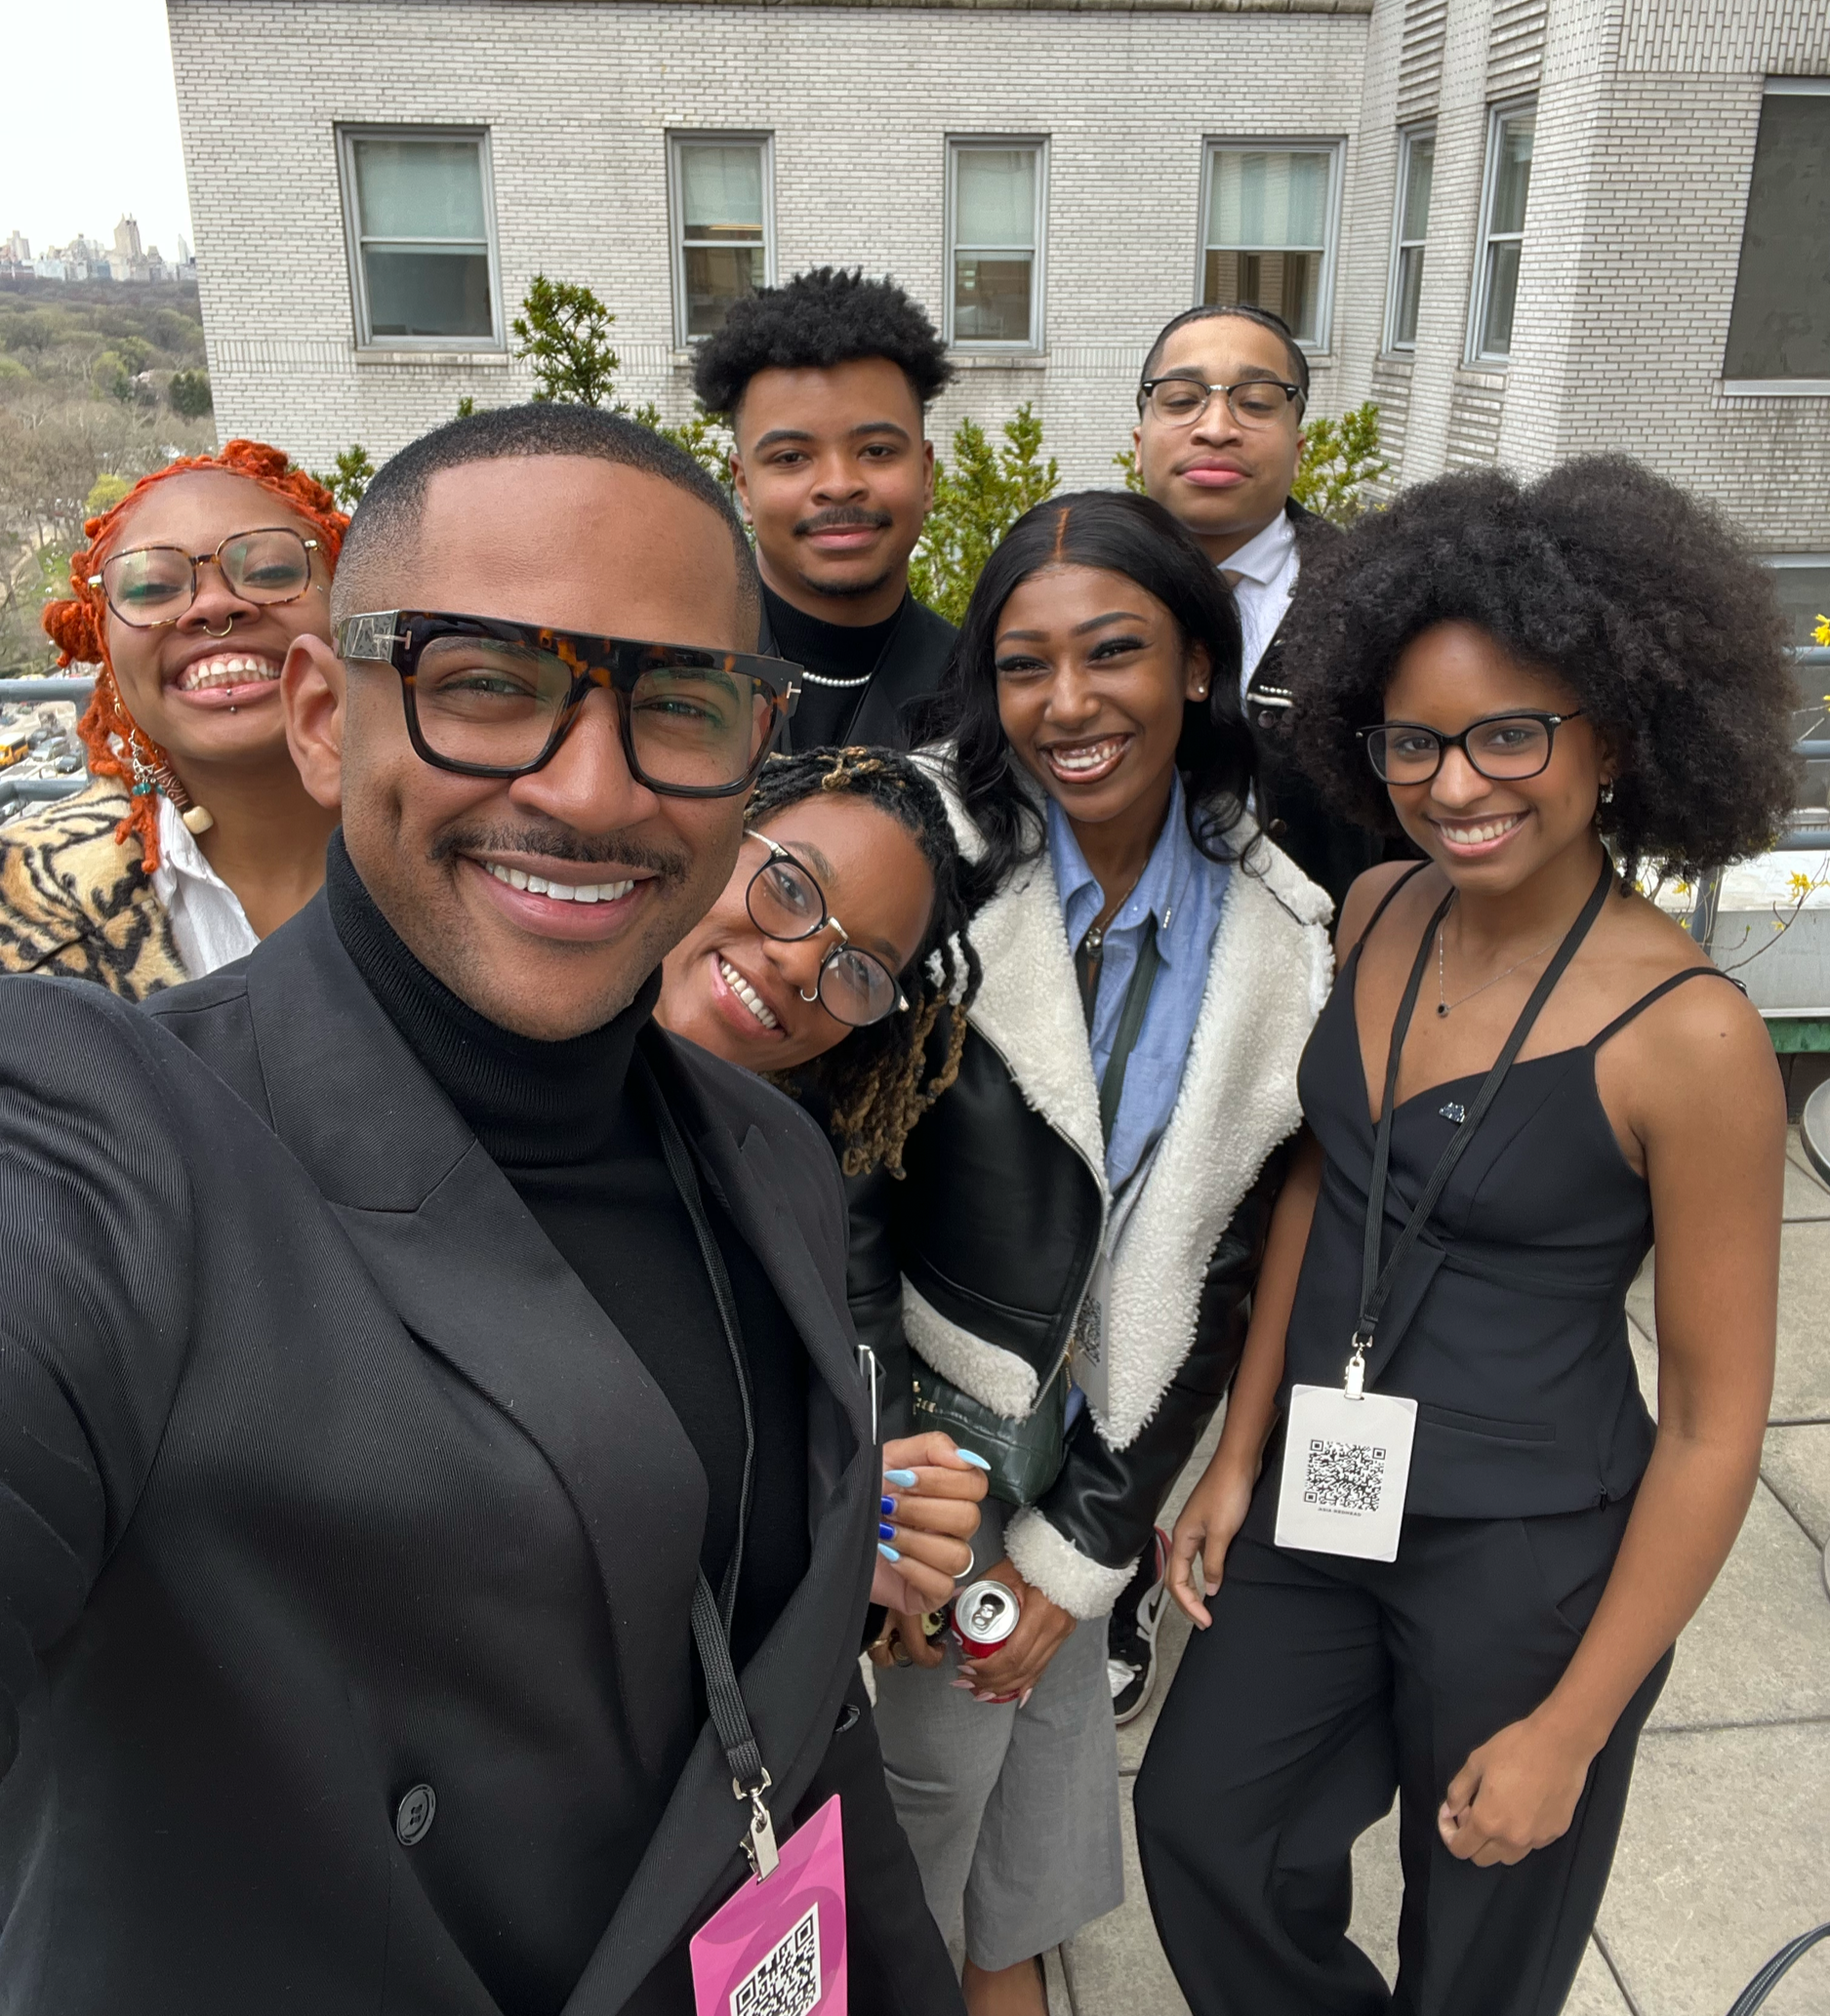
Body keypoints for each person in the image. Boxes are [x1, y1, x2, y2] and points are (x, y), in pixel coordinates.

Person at [0, 403, 986, 2014]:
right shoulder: (111, 1132)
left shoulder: (767, 1155)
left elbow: (793, 1698)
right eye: (484, 682)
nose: (590, 789)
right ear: (324, 716)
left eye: (675, 705)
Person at [1135, 458, 1796, 2016]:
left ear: (1615, 739)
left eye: (1508, 734)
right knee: (1200, 1824)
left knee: (1481, 1937)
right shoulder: (1375, 909)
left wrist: (1573, 1720)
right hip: (1325, 1491)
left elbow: (1710, 1424)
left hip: (1524, 1551)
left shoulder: (1685, 1036)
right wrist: (1236, 1455)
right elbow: (1324, 1183)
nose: (1453, 784)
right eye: (1414, 740)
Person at [861, 491, 1332, 2015]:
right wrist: (894, 1474)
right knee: (922, 1786)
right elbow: (832, 1178)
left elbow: (1225, 1263)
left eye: (1111, 651)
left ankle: (1011, 1977)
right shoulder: (921, 862)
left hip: (1106, 1440)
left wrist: (1086, 1541)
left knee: (1051, 1747)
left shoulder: (1278, 928)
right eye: (1021, 662)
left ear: (1195, 662)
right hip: (927, 1439)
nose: (1065, 704)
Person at [0, 439, 346, 995]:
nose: (212, 605)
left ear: (344, 600)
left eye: (271, 570)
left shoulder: (468, 845)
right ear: (104, 645)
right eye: (152, 587)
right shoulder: (22, 900)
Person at [1129, 303, 1381, 907]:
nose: (1216, 427)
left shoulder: (1377, 606)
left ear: (1299, 448)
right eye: (1183, 398)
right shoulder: (1067, 586)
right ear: (1139, 445)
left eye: (1257, 401)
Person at [657, 744, 983, 1184]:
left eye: (860, 970)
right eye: (790, 889)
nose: (802, 966)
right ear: (726, 829)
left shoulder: (786, 1219)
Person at [693, 266, 957, 751]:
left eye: (877, 451)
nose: (839, 485)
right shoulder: (675, 677)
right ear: (744, 487)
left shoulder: (982, 691)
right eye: (791, 458)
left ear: (925, 474)